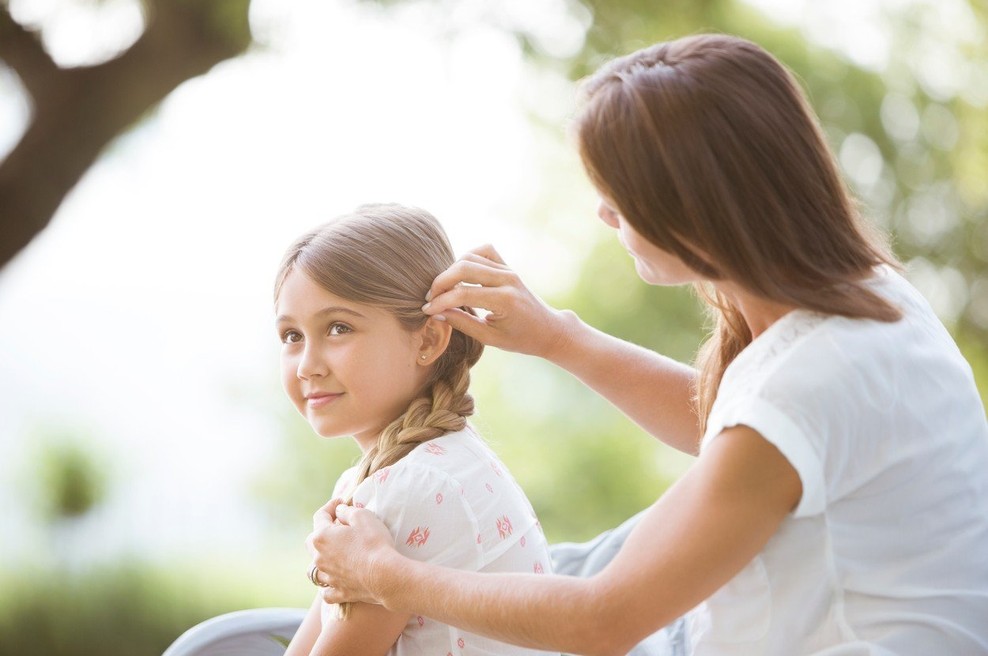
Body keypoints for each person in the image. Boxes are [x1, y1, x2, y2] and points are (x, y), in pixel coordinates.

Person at [303, 34, 988, 655]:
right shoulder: (865, 295)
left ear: (689, 205)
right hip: (711, 626)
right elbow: (734, 433)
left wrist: (387, 575)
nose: (604, 214)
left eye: (618, 195)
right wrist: (557, 338)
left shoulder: (819, 372)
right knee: (541, 567)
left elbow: (601, 621)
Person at [274, 204, 555, 656]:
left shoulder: (411, 487)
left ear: (427, 340)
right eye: (292, 336)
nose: (308, 365)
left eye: (339, 327)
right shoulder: (414, 469)